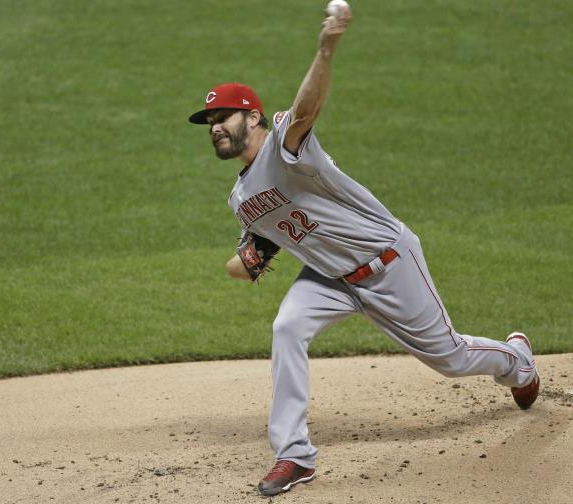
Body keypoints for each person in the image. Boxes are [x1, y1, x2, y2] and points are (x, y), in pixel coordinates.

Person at [187, 7, 540, 498]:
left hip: (387, 261)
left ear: (252, 115)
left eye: (221, 117)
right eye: (208, 122)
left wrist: (326, 46)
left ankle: (516, 359)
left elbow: (307, 108)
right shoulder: (241, 199)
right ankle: (294, 455)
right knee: (287, 326)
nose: (214, 128)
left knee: (450, 359)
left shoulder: (286, 146)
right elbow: (245, 268)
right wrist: (249, 258)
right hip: (330, 277)